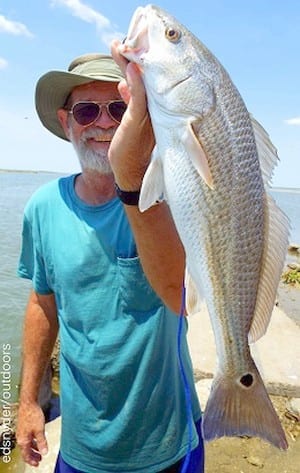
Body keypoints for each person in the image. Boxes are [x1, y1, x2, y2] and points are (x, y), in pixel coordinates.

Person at [16, 41, 204, 473]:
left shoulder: (168, 202)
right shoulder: (43, 207)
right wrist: (28, 402)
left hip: (169, 441)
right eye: (86, 111)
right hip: (83, 447)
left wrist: (133, 173)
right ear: (66, 123)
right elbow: (42, 302)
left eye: (118, 110)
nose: (102, 124)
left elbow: (178, 292)